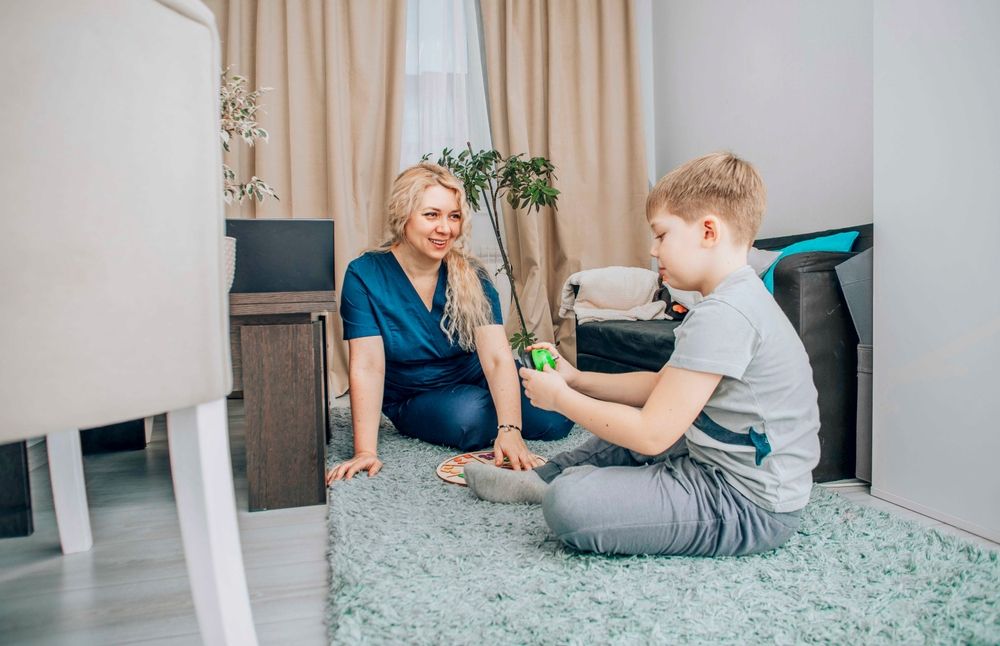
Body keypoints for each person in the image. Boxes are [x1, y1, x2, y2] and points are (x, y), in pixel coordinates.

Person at [464, 152, 820, 557]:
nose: (653, 250)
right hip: (729, 462)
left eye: (662, 235)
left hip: (748, 503)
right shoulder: (729, 299)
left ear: (708, 231)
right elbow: (661, 386)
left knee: (571, 503)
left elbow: (652, 434)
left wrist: (561, 399)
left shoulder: (726, 314)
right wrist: (575, 378)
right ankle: (544, 476)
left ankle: (560, 484)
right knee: (624, 435)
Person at [326, 162, 573, 483]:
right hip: (415, 394)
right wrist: (365, 451)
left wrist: (510, 430)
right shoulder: (364, 274)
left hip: (476, 374)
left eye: (453, 216)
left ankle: (504, 410)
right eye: (432, 215)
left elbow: (497, 359)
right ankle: (492, 408)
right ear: (403, 216)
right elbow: (368, 366)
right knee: (469, 417)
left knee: (556, 416)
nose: (445, 228)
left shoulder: (472, 272)